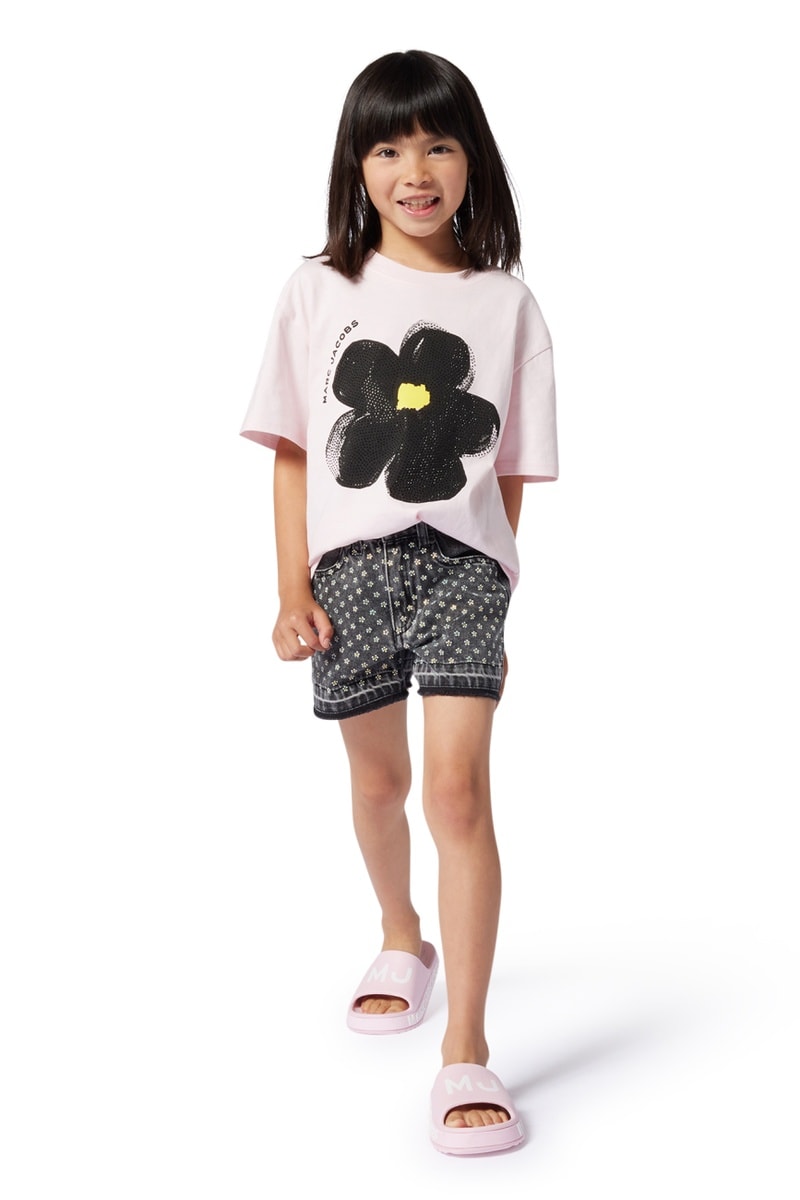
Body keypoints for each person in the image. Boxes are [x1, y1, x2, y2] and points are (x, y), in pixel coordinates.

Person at [241, 49, 558, 1155]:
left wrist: (497, 588)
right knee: (379, 782)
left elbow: (508, 472)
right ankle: (399, 933)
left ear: (473, 161)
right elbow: (293, 452)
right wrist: (290, 587)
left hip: (463, 571)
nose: (413, 171)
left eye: (436, 145)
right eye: (386, 148)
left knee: (458, 794)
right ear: (356, 166)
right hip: (350, 573)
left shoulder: (507, 305)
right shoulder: (316, 290)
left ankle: (465, 1044)